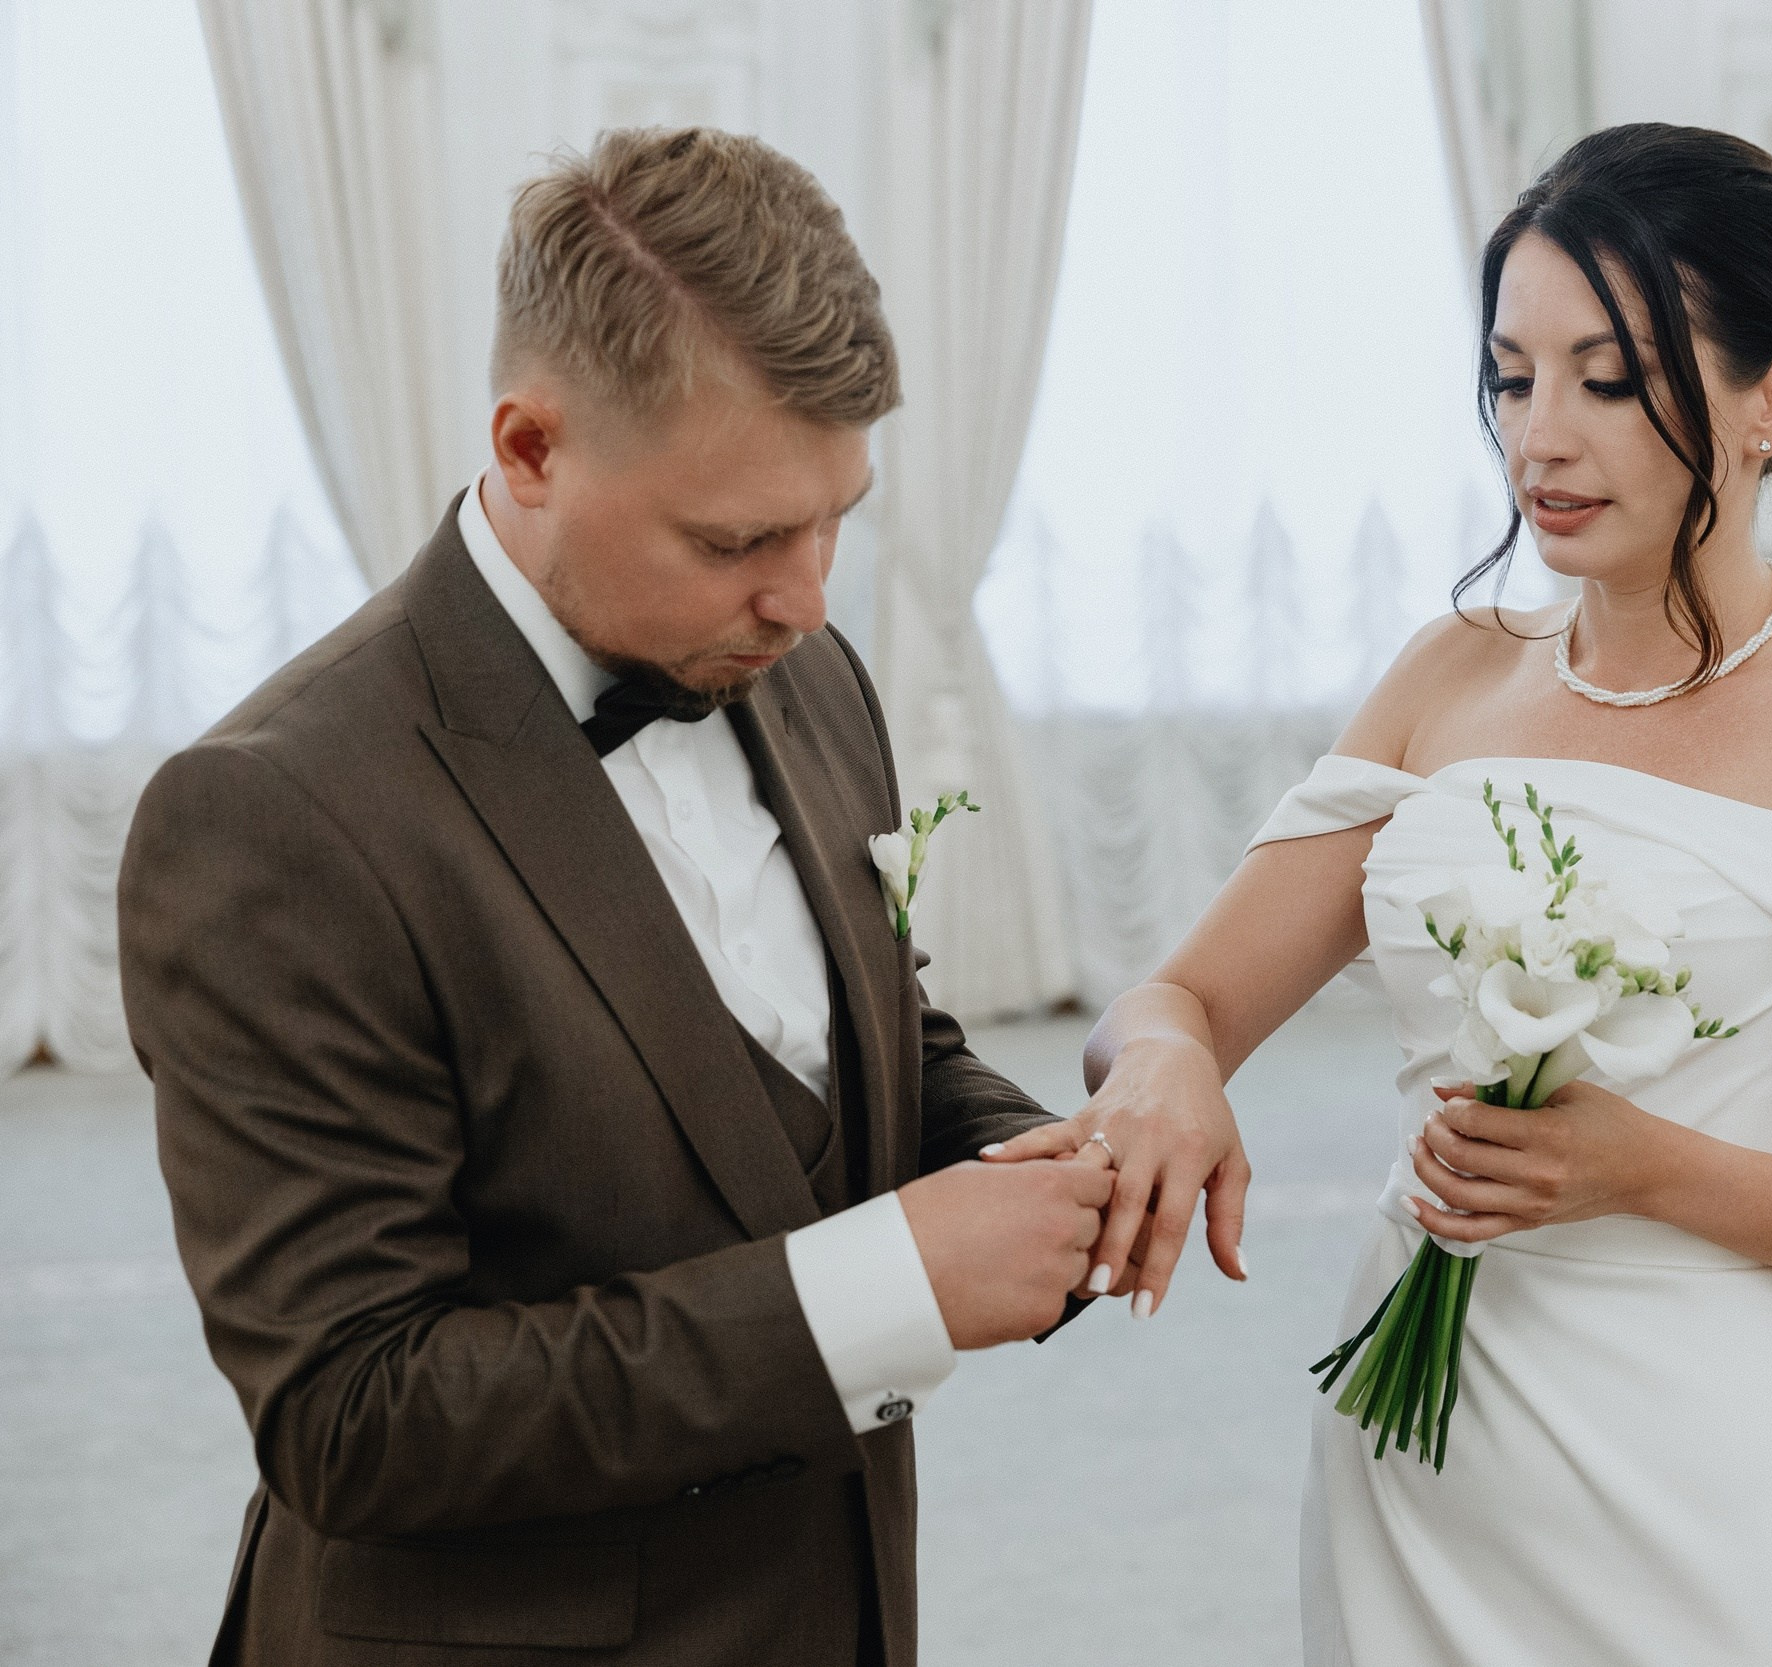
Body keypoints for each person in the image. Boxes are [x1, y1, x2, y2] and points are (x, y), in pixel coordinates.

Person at [986, 124, 1772, 1665]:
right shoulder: (1449, 674)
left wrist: (1652, 1171)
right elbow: (1178, 999)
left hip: (1705, 1466)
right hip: (1421, 1455)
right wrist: (1167, 1063)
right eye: (1513, 378)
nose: (1540, 440)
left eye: (1612, 380)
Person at [119, 127, 1111, 1666]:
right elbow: (353, 1416)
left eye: (837, 516)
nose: (807, 598)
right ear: (530, 449)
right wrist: (884, 1290)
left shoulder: (810, 674)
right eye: (737, 539)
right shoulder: (271, 818)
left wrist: (1049, 1162)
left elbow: (861, 1043)